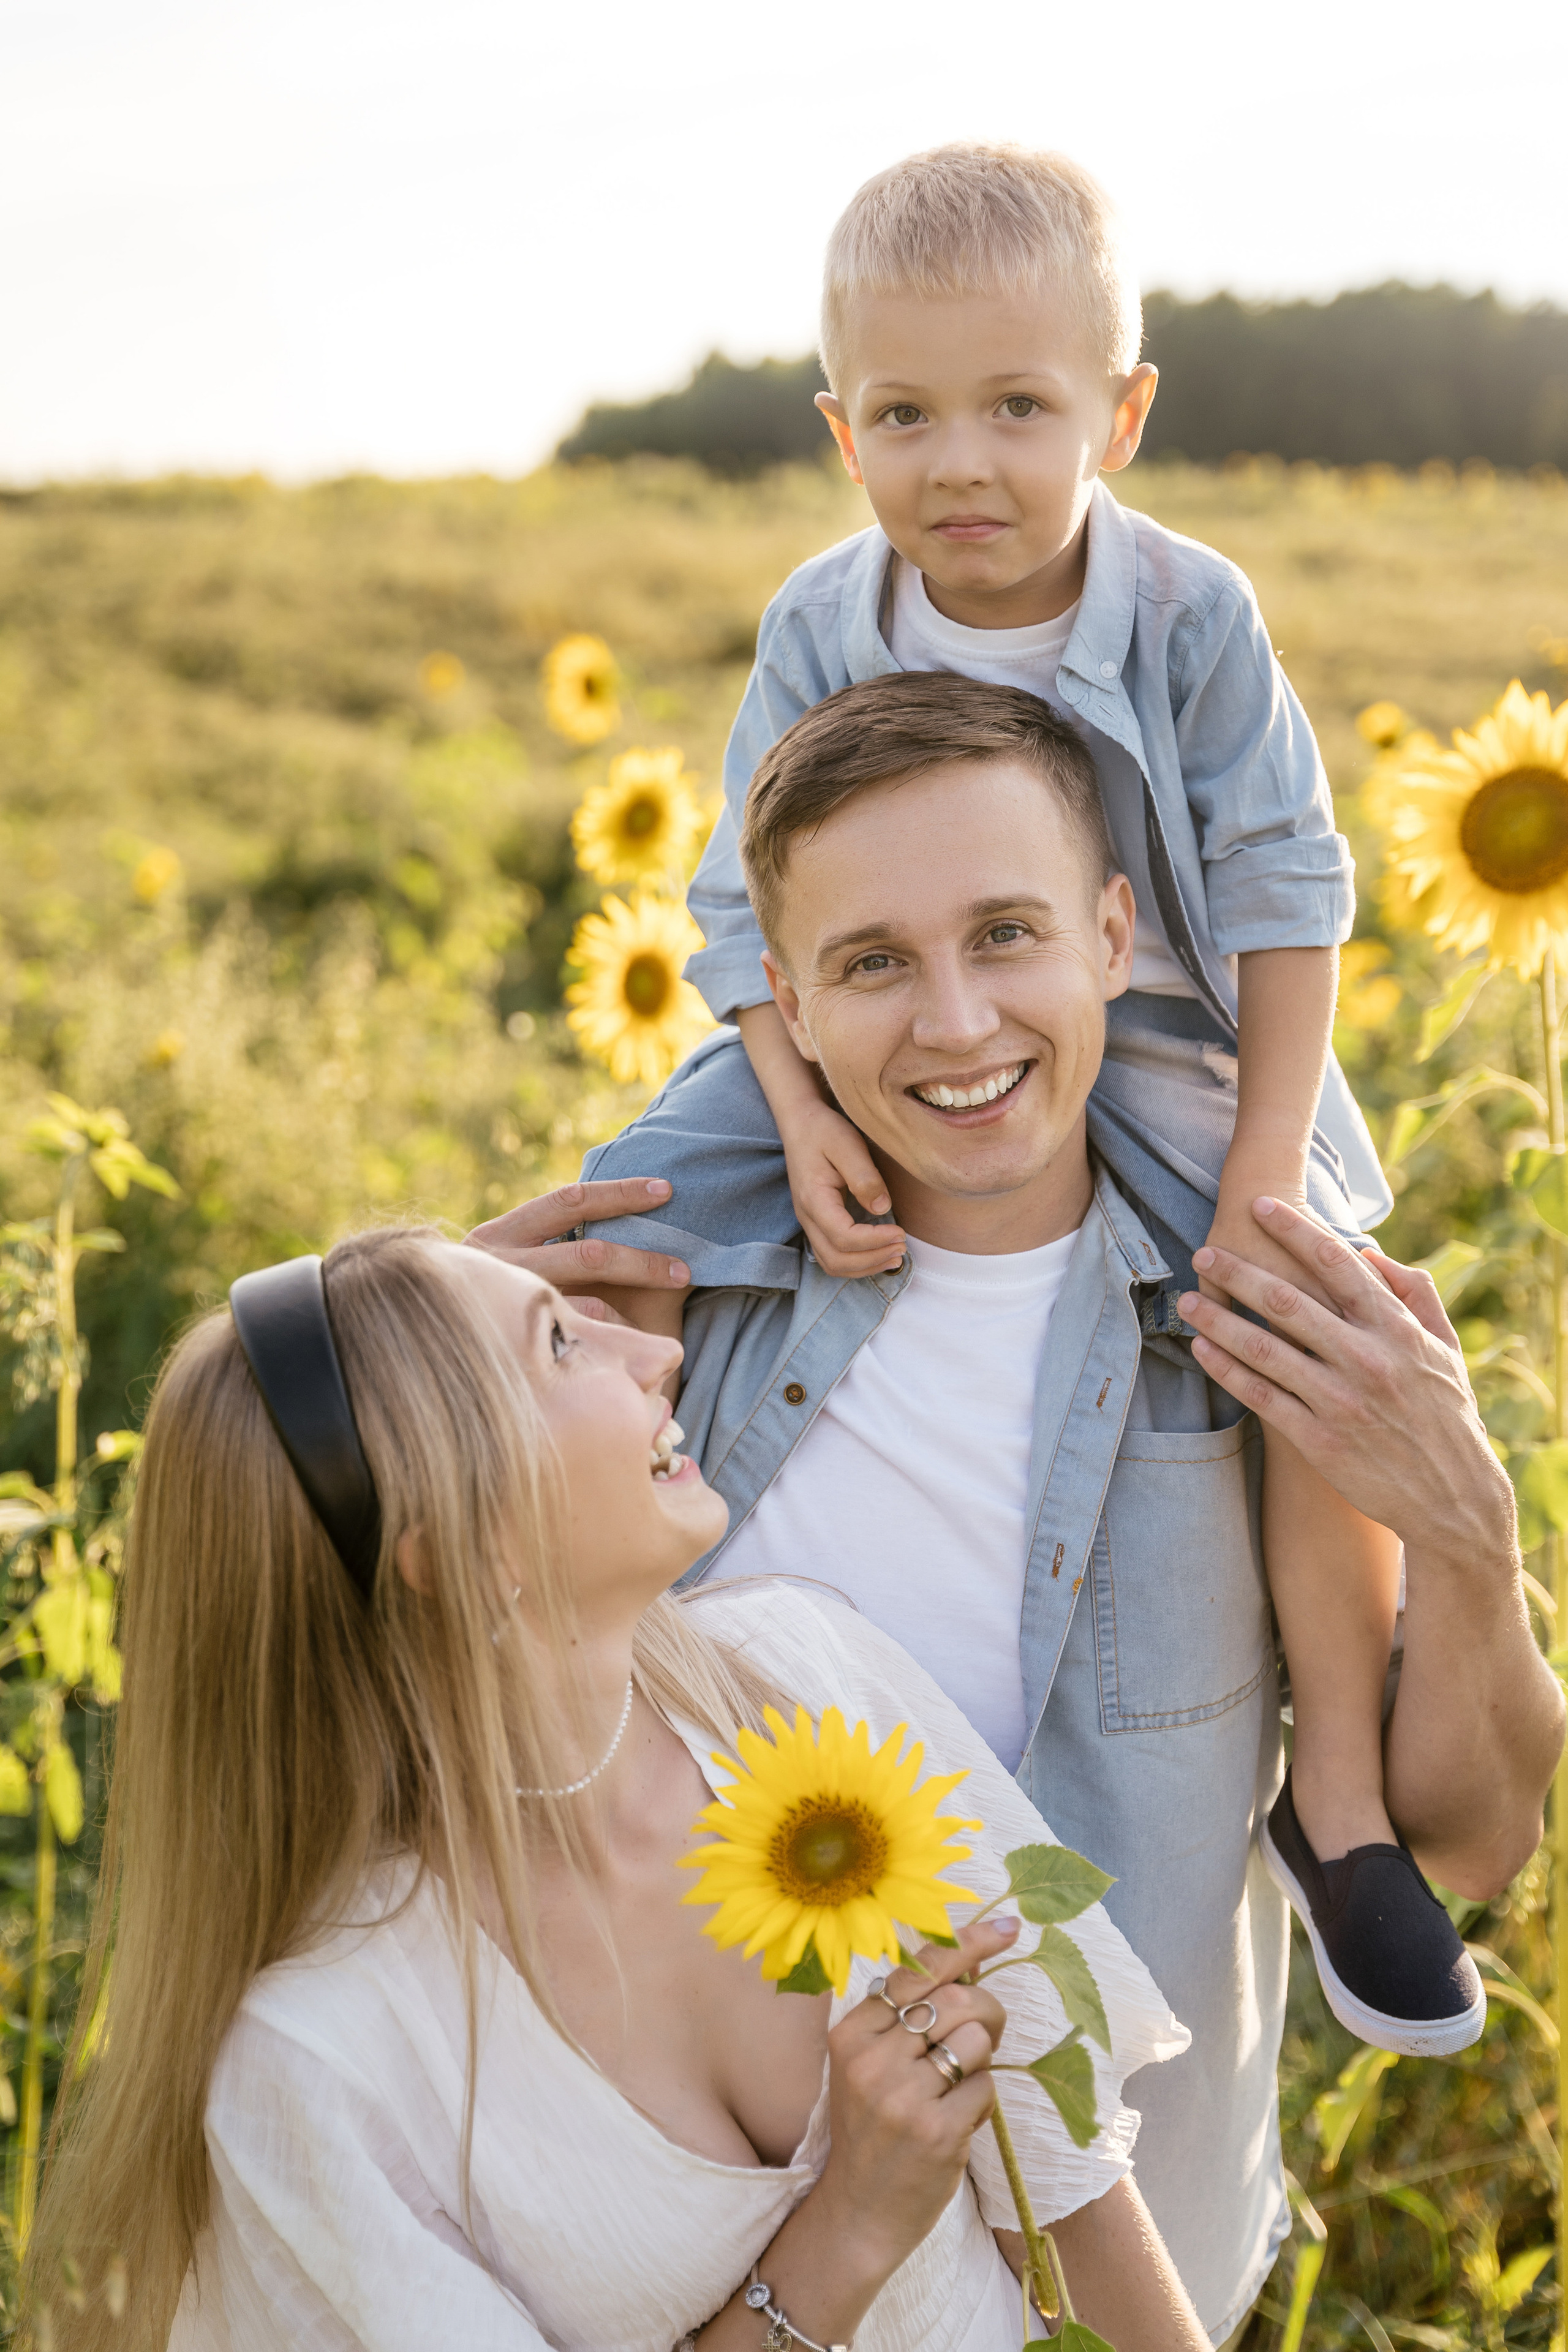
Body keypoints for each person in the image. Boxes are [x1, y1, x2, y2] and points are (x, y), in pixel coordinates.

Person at [474, 677, 1564, 2345]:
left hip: (1155, 2273)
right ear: (784, 999)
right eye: (874, 964)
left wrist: (1479, 1540)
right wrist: (426, 1363)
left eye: (1005, 934)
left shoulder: (1265, 1324)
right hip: (756, 2288)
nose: (959, 1024)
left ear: (1113, 936)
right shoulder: (655, 1332)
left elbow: (1475, 1847)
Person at [578, 141, 1448, 2062]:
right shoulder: (829, 618)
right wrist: (793, 1106)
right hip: (854, 1026)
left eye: (1017, 409)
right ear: (840, 428)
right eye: (904, 414)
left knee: (1306, 1320)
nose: (959, 463)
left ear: (1119, 416)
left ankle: (1351, 1803)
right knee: (628, 1194)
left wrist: (1260, 1175)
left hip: (1166, 1031)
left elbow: (1294, 895)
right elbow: (745, 902)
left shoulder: (1186, 613)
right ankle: (565, 1649)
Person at [25, 1230, 1211, 2352]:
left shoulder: (804, 1678)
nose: (658, 1352)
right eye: (559, 1344)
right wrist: (844, 2232)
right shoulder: (325, 2061)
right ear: (458, 1553)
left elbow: (1070, 2194)